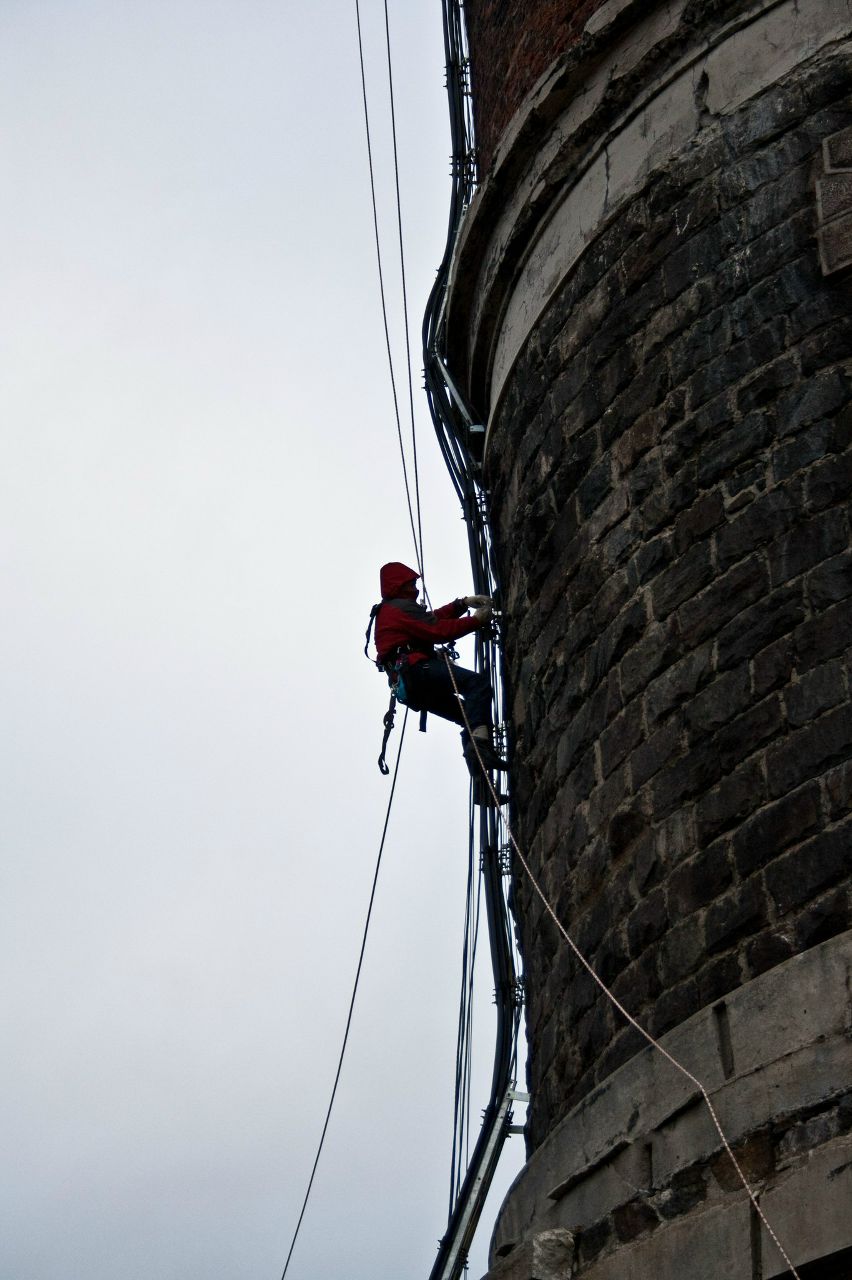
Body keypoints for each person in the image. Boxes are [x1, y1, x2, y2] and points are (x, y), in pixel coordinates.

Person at [371, 562, 507, 787]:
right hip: (416, 670)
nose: (415, 587)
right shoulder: (399, 608)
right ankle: (481, 750)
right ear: (401, 585)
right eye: (412, 583)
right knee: (477, 685)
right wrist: (476, 620)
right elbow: (437, 630)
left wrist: (461, 604)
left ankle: (482, 785)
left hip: (410, 687)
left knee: (469, 716)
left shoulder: (392, 611)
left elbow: (431, 620)